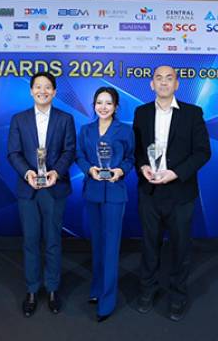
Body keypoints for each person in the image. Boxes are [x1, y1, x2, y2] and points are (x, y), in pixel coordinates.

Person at [133, 65, 211, 322]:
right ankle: (147, 290)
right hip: (150, 191)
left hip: (180, 192)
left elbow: (203, 152)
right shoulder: (141, 112)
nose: (164, 82)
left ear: (177, 84)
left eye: (169, 78)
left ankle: (178, 294)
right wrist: (142, 166)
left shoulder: (193, 113)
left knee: (180, 247)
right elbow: (136, 150)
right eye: (159, 78)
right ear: (151, 84)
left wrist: (176, 173)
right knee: (149, 245)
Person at [7, 72, 76, 317]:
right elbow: (13, 152)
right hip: (28, 189)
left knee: (53, 240)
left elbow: (70, 150)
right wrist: (27, 173)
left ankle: (53, 288)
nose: (43, 91)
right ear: (31, 91)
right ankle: (32, 290)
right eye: (38, 87)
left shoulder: (65, 119)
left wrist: (56, 172)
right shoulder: (19, 119)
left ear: (54, 92)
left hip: (54, 188)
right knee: (31, 240)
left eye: (48, 87)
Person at [76, 86, 135, 322]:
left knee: (111, 247)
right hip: (93, 191)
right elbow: (79, 155)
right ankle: (97, 288)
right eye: (99, 102)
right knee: (97, 244)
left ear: (116, 107)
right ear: (93, 105)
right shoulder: (86, 130)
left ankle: (107, 301)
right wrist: (89, 169)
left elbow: (131, 157)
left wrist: (121, 170)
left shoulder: (125, 130)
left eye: (108, 103)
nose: (103, 107)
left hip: (115, 193)